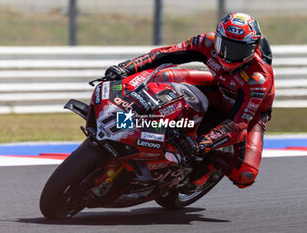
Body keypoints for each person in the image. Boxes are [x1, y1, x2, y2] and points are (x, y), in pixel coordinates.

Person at [104, 12, 275, 189]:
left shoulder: (258, 79)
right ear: (217, 38)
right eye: (223, 45)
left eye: (238, 50)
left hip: (251, 114)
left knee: (245, 175)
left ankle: (210, 164)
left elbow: (237, 125)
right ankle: (125, 118)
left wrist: (206, 142)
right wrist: (126, 67)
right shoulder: (207, 42)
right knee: (162, 77)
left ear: (252, 49)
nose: (227, 54)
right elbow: (165, 53)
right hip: (218, 88)